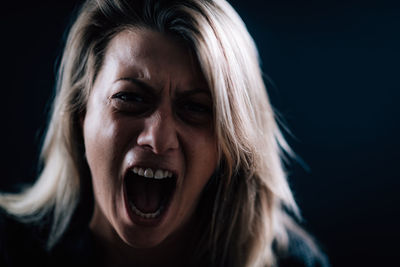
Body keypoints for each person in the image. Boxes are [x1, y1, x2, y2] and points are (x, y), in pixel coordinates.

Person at [0, 0, 329, 266]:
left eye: (196, 108)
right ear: (80, 115)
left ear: (229, 146)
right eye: (130, 98)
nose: (157, 139)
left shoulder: (291, 262)